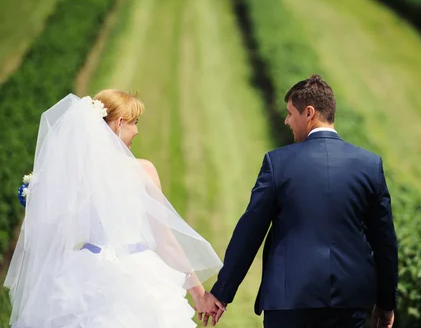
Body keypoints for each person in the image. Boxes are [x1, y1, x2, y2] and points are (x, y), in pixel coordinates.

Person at [4, 90, 224, 328]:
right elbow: (165, 241)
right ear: (120, 123)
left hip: (83, 274)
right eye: (135, 123)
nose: (137, 131)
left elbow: (58, 235)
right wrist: (199, 294)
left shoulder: (72, 176)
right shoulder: (143, 170)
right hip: (137, 277)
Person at [208, 75, 399, 328]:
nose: (287, 120)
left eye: (290, 113)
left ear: (309, 113)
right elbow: (385, 243)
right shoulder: (369, 165)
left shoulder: (278, 163)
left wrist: (222, 292)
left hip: (289, 303)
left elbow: (250, 231)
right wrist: (386, 304)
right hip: (348, 304)